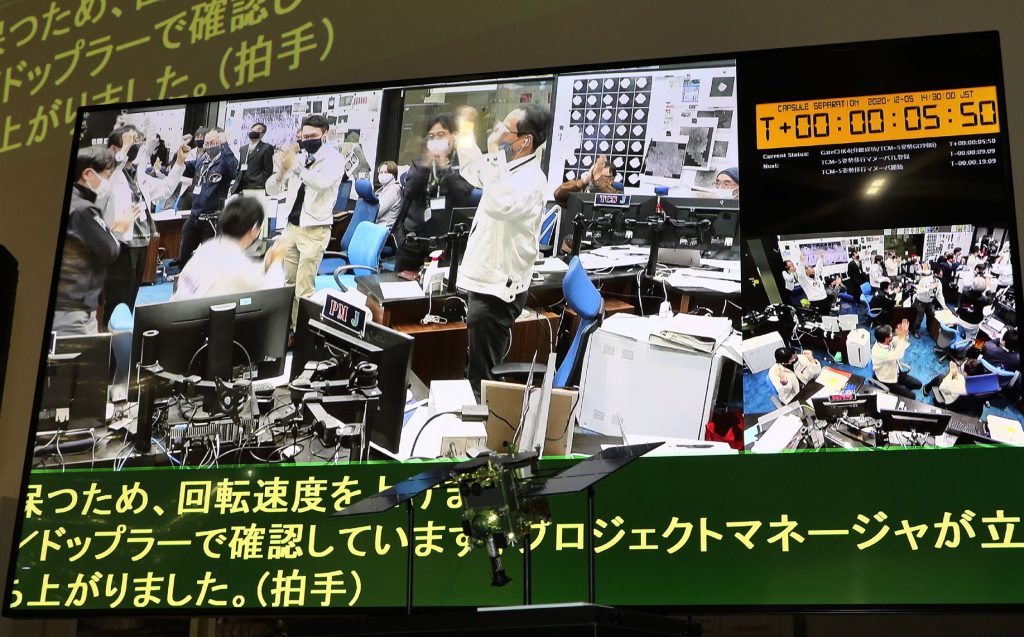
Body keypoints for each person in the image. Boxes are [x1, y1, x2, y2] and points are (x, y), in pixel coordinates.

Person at [458, 103, 552, 396]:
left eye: (505, 130)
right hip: (485, 282)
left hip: (498, 290)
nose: (498, 132)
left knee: (481, 379)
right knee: (476, 366)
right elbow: (474, 170)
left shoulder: (532, 180)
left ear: (525, 141)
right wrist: (464, 133)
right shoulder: (509, 168)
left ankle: (484, 437)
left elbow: (501, 205)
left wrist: (493, 150)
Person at [100, 125, 185, 324]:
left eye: (136, 141)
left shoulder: (138, 176)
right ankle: (109, 340)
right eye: (130, 140)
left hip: (141, 245)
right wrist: (122, 152)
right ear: (114, 149)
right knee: (116, 301)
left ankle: (123, 338)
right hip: (120, 245)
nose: (135, 144)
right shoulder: (108, 175)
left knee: (130, 298)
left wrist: (179, 163)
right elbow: (105, 186)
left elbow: (164, 190)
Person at [265, 114, 345, 325]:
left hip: (315, 230)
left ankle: (301, 333)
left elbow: (320, 183)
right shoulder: (298, 158)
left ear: (324, 134)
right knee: (289, 283)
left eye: (313, 135)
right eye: (304, 135)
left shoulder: (334, 159)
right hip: (292, 227)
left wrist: (296, 168)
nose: (307, 139)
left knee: (304, 288)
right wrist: (281, 172)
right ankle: (289, 328)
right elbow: (271, 189)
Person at [53, 147, 139, 335]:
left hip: (64, 305)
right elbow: (110, 250)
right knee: (79, 361)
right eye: (107, 176)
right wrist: (119, 229)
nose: (108, 182)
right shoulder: (83, 210)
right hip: (72, 310)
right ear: (88, 174)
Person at [393, 113, 476, 276]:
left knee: (434, 294)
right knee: (398, 290)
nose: (436, 140)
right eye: (431, 136)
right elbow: (408, 191)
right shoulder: (420, 162)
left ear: (453, 137)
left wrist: (444, 167)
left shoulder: (462, 164)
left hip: (443, 245)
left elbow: (463, 196)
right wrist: (426, 165)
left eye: (441, 135)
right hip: (412, 241)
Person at [171, 197, 288, 300]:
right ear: (254, 230)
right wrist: (277, 260)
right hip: (202, 322)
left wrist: (266, 264)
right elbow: (272, 292)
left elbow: (246, 276)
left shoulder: (208, 247)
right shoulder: (238, 265)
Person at [177, 126, 239, 269]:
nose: (209, 146)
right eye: (207, 143)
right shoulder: (202, 160)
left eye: (213, 143)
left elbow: (233, 169)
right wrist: (179, 155)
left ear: (220, 143)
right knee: (184, 256)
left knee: (209, 260)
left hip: (211, 219)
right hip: (194, 216)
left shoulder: (225, 162)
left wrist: (225, 145)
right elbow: (185, 166)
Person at [871, 320, 922, 399]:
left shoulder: (884, 341)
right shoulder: (879, 352)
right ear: (887, 339)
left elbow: (899, 340)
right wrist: (901, 337)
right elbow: (899, 354)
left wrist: (904, 333)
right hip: (887, 379)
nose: (893, 334)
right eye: (891, 334)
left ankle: (903, 391)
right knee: (912, 396)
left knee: (918, 384)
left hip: (896, 371)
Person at [553, 153, 618, 207]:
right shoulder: (581, 189)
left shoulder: (616, 195)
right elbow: (558, 195)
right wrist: (584, 181)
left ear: (610, 180)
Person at [232, 122, 275, 195]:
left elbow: (268, 170)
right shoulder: (243, 149)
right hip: (240, 187)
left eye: (257, 130)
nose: (254, 131)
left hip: (256, 188)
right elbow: (240, 168)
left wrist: (260, 183)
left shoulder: (266, 148)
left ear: (262, 134)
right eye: (252, 129)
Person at [956, 276, 994, 341]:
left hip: (961, 319)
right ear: (983, 289)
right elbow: (990, 299)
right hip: (972, 324)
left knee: (958, 334)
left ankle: (956, 342)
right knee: (970, 340)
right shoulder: (983, 300)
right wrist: (988, 287)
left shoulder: (964, 293)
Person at [911, 267, 945, 338]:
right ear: (935, 274)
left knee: (930, 316)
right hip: (920, 302)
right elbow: (918, 291)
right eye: (939, 275)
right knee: (920, 317)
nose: (940, 277)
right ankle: (915, 331)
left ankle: (929, 329)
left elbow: (939, 295)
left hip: (929, 302)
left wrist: (944, 306)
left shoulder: (939, 282)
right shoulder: (924, 280)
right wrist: (929, 288)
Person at [373, 161, 404, 230]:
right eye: (381, 172)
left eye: (386, 172)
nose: (382, 175)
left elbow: (377, 211)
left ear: (393, 175)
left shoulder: (393, 190)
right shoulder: (385, 188)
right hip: (378, 225)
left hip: (384, 228)